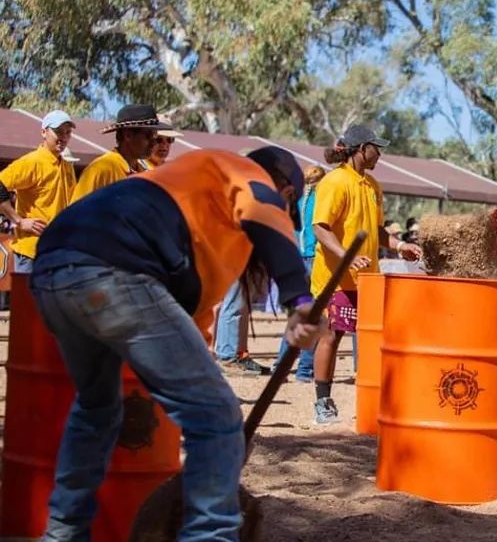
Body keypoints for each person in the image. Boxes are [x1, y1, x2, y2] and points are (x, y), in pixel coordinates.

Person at [29, 147, 325, 540]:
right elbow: (264, 208)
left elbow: (188, 330)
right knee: (217, 416)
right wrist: (299, 299)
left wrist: (219, 435)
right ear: (285, 192)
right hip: (116, 268)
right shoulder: (243, 172)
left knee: (97, 408)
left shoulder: (190, 190)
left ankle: (63, 533)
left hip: (53, 269)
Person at [310, 124, 422, 424]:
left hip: (368, 279)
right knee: (331, 335)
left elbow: (378, 230)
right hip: (334, 279)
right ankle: (323, 402)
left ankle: (376, 401)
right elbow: (320, 228)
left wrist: (400, 245)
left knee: (373, 339)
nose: (380, 154)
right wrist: (346, 257)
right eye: (376, 147)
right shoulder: (334, 182)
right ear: (362, 149)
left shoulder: (372, 186)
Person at [0, 110, 77, 274]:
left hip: (59, 252)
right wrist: (19, 221)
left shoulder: (67, 165)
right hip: (32, 253)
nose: (63, 137)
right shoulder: (32, 162)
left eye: (68, 132)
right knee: (27, 300)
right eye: (58, 132)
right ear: (44, 132)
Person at [274, 164, 326, 381]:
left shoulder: (294, 200)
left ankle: (281, 366)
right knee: (313, 316)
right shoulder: (321, 200)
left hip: (294, 258)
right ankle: (305, 370)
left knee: (295, 315)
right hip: (314, 259)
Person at [70, 104, 162, 203]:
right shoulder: (101, 170)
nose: (154, 142)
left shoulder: (144, 173)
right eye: (148, 135)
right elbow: (75, 215)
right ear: (128, 135)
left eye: (155, 135)